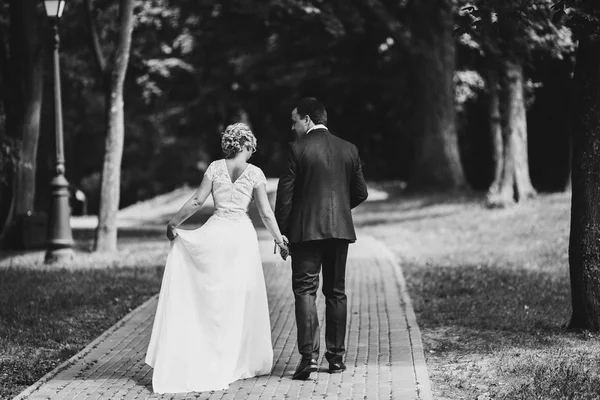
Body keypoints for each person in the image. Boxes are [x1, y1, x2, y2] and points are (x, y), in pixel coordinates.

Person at [145, 123, 289, 394]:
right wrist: (280, 240)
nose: (251, 153)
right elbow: (267, 214)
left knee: (214, 294)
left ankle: (213, 349)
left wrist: (174, 223)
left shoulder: (214, 168)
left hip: (216, 231)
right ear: (245, 145)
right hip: (240, 238)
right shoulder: (255, 173)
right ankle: (235, 357)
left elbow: (198, 201)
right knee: (239, 295)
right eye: (251, 148)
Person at [275, 97, 369, 380]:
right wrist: (338, 210)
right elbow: (361, 192)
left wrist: (282, 233)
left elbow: (285, 198)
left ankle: (308, 358)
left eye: (294, 121)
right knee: (336, 292)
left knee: (305, 290)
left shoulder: (296, 149)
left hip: (305, 233)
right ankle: (337, 359)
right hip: (339, 232)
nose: (292, 127)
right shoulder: (348, 149)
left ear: (307, 119)